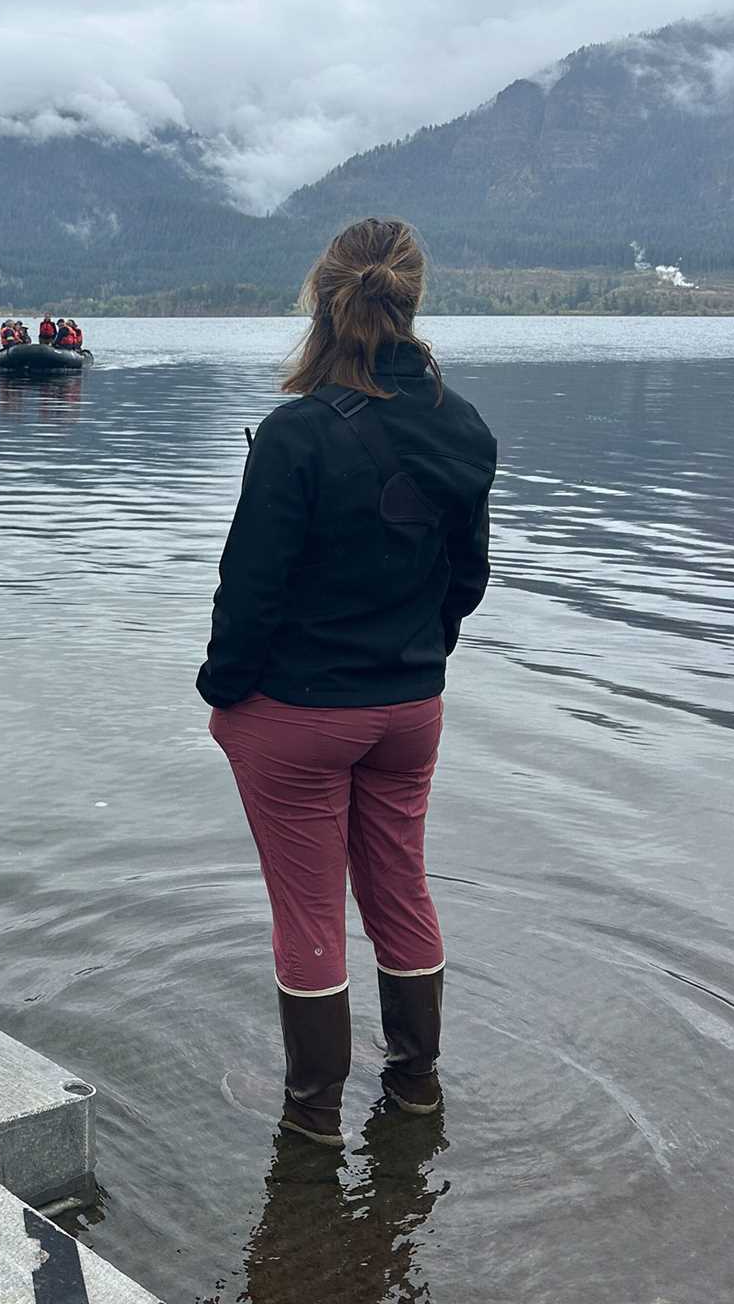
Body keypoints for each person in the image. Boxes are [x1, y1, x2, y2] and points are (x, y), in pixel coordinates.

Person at [199, 217, 496, 1146]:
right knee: (401, 888)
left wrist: (223, 694)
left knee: (309, 914)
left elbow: (249, 591)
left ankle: (312, 1121)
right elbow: (468, 581)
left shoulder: (295, 435)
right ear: (412, 294)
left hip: (297, 712)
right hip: (410, 706)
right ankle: (413, 1091)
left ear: (321, 298)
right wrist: (417, 656)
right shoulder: (464, 424)